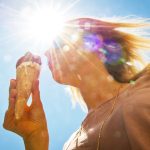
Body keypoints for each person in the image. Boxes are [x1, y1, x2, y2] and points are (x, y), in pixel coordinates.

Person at [3, 17, 150, 150]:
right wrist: (35, 138)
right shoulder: (71, 142)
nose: (47, 52)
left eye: (58, 43)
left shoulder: (143, 95)